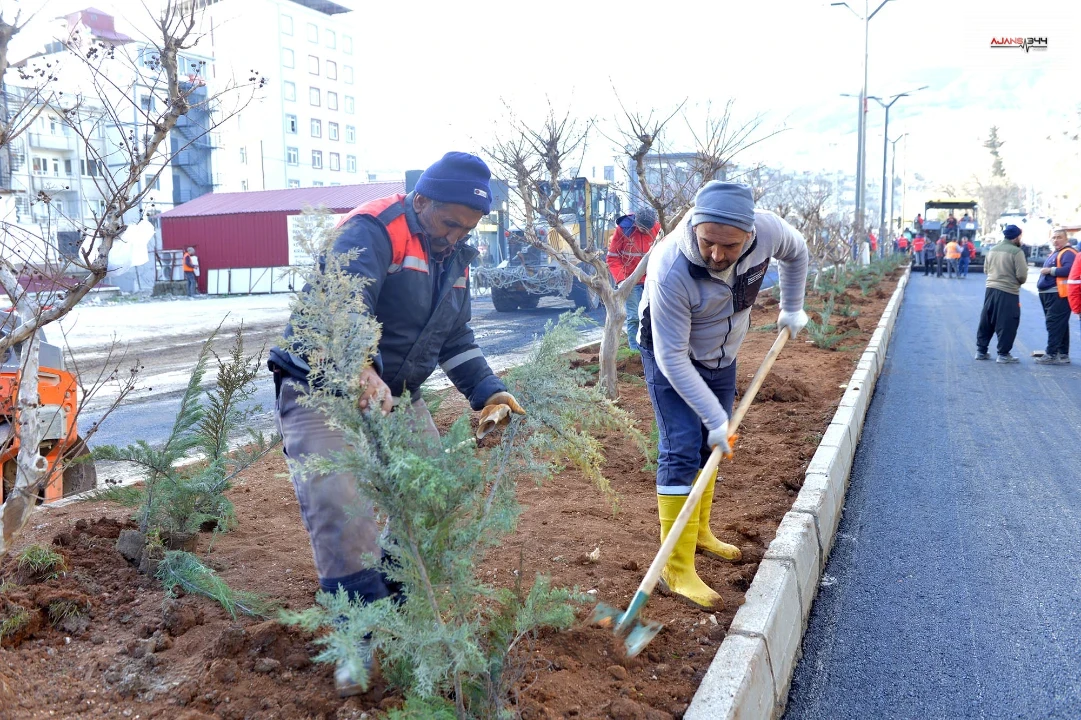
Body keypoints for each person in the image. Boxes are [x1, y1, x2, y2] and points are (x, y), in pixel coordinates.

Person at [268, 152, 526, 695]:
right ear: (422, 200)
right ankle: (355, 638)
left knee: (431, 497)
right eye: (449, 222)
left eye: (469, 227)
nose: (456, 235)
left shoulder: (454, 257)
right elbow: (341, 309)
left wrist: (488, 391)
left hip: (396, 395)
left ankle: (400, 606)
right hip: (323, 389)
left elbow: (455, 338)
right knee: (343, 508)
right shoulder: (372, 230)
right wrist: (359, 366)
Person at [638, 181, 809, 609]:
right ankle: (676, 568)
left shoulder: (768, 231)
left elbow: (798, 251)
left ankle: (698, 533)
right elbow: (672, 356)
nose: (716, 254)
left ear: (750, 235)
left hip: (722, 354)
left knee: (707, 448)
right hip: (670, 355)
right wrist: (715, 419)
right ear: (694, 226)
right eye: (707, 242)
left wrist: (792, 306)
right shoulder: (671, 267)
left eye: (728, 246)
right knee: (681, 447)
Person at [606, 207, 660, 352]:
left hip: (651, 280)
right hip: (631, 281)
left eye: (647, 228)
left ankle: (651, 348)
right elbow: (613, 258)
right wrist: (622, 280)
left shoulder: (658, 229)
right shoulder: (624, 230)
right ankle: (634, 351)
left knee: (653, 315)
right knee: (634, 317)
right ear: (636, 222)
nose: (644, 231)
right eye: (642, 228)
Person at [975, 225, 1028, 363]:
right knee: (1008, 322)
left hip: (990, 289)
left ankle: (981, 351)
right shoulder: (1017, 252)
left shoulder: (992, 250)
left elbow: (986, 270)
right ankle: (1003, 354)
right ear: (1016, 237)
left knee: (987, 319)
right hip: (1008, 291)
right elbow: (1022, 276)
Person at [1034, 228, 1078, 365]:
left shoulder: (1068, 253)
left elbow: (1070, 269)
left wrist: (1050, 270)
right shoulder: (1056, 252)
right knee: (1061, 325)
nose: (1056, 240)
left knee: (1053, 324)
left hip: (1059, 294)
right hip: (1050, 293)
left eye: (1059, 237)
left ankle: (1052, 354)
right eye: (1053, 237)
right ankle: (1063, 354)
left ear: (1066, 239)